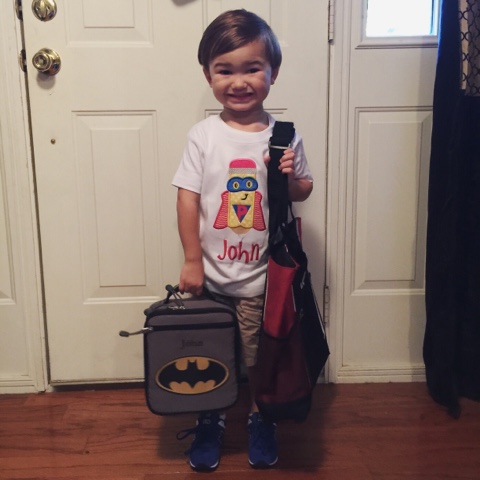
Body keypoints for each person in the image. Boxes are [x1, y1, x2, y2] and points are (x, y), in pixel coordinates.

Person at [172, 9, 313, 471]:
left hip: (259, 280)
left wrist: (290, 178)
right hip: (210, 276)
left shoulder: (283, 136)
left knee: (257, 356)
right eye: (224, 70)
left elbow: (302, 191)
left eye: (252, 68)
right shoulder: (203, 136)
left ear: (273, 71)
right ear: (208, 75)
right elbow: (188, 198)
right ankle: (210, 417)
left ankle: (260, 415)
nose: (238, 82)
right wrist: (192, 259)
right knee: (210, 352)